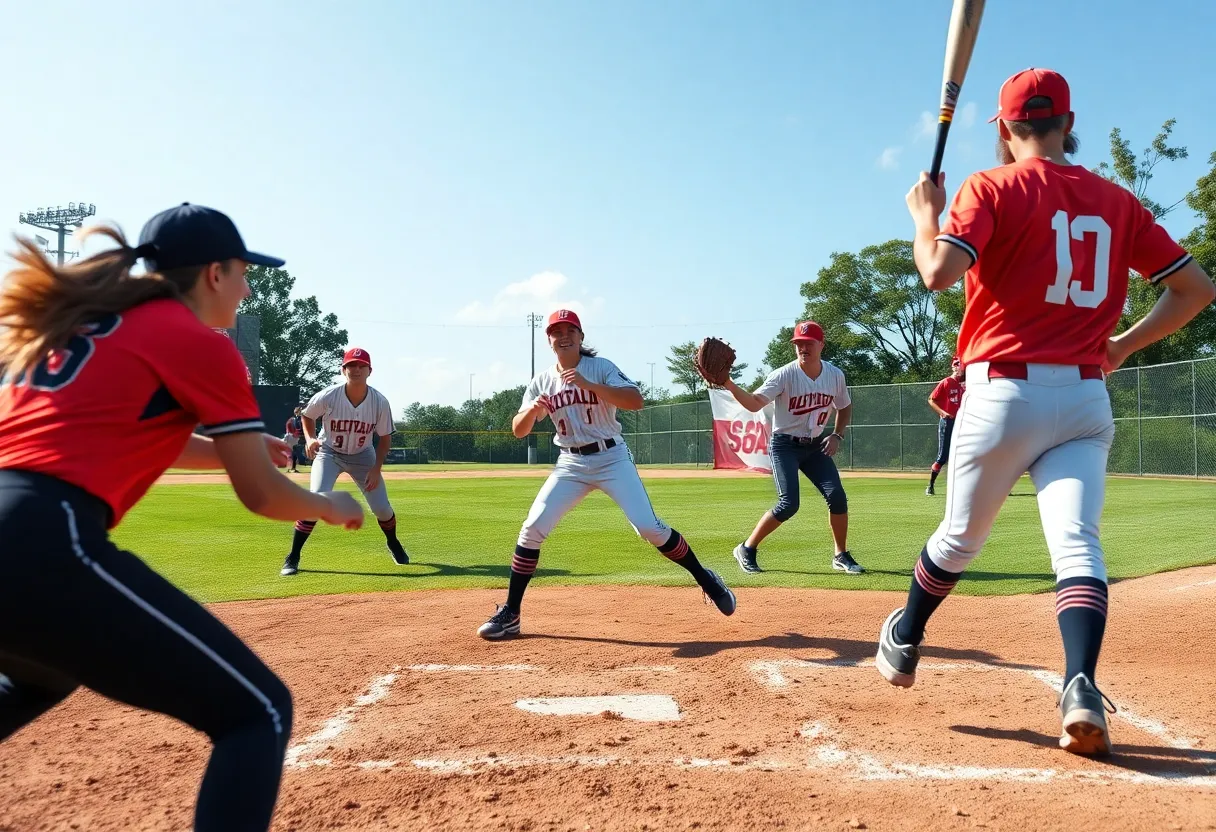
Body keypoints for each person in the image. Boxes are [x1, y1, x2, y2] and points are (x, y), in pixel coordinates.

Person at [875, 68, 1216, 756]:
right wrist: (1120, 346)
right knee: (1078, 545)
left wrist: (924, 218)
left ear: (1004, 128)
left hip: (1002, 392)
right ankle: (1081, 684)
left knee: (959, 541)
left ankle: (907, 635)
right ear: (1068, 121)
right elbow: (1195, 290)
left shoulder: (993, 185)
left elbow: (938, 272)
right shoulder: (1116, 201)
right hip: (1085, 397)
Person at [0, 203, 366, 831]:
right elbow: (263, 496)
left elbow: (129, 432)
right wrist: (328, 505)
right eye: (243, 272)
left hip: (17, 519)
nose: (249, 286)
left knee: (44, 673)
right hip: (42, 537)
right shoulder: (197, 340)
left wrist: (237, 452)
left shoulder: (89, 325)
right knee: (259, 712)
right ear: (213, 273)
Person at [477, 309, 736, 639]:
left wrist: (588, 384)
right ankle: (511, 613)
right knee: (532, 529)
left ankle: (706, 579)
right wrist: (532, 410)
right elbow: (518, 430)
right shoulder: (542, 381)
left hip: (611, 457)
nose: (564, 335)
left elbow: (635, 400)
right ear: (549, 340)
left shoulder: (600, 368)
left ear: (581, 337)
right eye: (557, 331)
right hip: (570, 464)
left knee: (648, 528)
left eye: (570, 329)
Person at [721, 321, 864, 576]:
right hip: (785, 445)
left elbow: (845, 406)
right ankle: (746, 548)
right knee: (788, 504)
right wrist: (729, 384)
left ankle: (840, 554)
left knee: (837, 496)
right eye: (798, 344)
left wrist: (837, 435)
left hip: (816, 446)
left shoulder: (835, 375)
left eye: (808, 343)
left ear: (822, 345)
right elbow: (754, 404)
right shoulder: (783, 375)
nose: (803, 348)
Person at [280, 347, 409, 576]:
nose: (356, 369)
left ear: (370, 371)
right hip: (330, 452)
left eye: (361, 366)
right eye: (351, 365)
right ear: (343, 370)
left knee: (381, 508)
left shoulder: (379, 402)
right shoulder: (329, 395)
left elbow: (385, 439)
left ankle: (393, 542)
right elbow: (307, 415)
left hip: (364, 456)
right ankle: (293, 556)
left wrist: (376, 469)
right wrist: (310, 439)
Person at [925, 356, 965, 495]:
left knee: (963, 454)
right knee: (943, 456)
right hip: (948, 422)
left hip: (962, 422)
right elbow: (931, 399)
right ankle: (930, 485)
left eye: (961, 365)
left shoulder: (965, 385)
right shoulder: (946, 382)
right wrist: (942, 413)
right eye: (956, 365)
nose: (959, 368)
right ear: (952, 367)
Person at [283, 405, 307, 474]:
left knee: (293, 453)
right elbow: (291, 429)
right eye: (300, 411)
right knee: (292, 453)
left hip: (293, 437)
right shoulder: (295, 419)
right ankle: (291, 468)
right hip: (292, 437)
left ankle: (291, 468)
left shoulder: (294, 419)